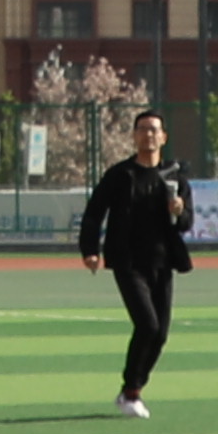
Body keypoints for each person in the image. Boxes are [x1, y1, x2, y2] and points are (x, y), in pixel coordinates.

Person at [74, 107, 191, 412]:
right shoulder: (120, 175)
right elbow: (94, 212)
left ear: (163, 137)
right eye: (142, 129)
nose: (148, 135)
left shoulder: (174, 177)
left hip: (162, 262)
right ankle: (132, 393)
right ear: (134, 136)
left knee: (160, 334)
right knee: (147, 325)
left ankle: (131, 388)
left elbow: (186, 222)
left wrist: (179, 212)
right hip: (127, 261)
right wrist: (90, 249)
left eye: (154, 130)